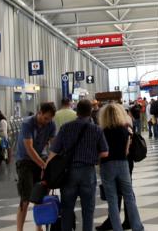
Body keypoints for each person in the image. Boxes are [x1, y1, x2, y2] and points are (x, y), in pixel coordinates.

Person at [48, 99, 109, 231]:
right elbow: (105, 153)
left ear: (77, 111)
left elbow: (53, 151)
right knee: (88, 210)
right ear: (91, 111)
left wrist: (46, 169)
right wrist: (93, 157)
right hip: (88, 173)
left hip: (68, 173)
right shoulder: (96, 130)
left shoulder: (66, 128)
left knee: (67, 210)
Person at [98, 103, 144, 231]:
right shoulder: (125, 130)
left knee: (112, 199)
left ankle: (117, 228)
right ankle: (137, 226)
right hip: (123, 164)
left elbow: (100, 153)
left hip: (107, 165)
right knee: (129, 196)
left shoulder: (102, 132)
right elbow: (126, 152)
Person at [15, 102, 57, 231]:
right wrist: (44, 165)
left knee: (40, 196)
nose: (47, 121)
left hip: (41, 159)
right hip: (25, 162)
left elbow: (53, 146)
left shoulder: (51, 125)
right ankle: (19, 229)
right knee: (25, 199)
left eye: (50, 119)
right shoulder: (27, 124)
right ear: (39, 112)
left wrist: (51, 163)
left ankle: (39, 227)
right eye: (45, 118)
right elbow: (29, 148)